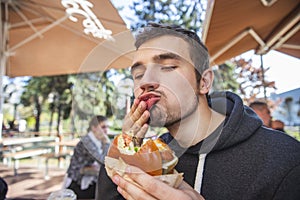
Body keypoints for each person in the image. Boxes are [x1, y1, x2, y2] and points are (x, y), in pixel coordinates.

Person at [96, 23, 300, 200]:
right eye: (138, 74)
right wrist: (122, 152)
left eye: (167, 67)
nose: (146, 81)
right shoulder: (150, 156)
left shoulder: (285, 160)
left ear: (203, 82)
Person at [65, 115, 111, 199]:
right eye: (103, 127)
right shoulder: (87, 142)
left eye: (107, 127)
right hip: (77, 182)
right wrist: (107, 143)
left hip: (88, 176)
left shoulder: (96, 140)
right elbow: (103, 161)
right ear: (94, 128)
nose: (106, 130)